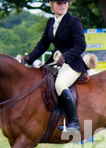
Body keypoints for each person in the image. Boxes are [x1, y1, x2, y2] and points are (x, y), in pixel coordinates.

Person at [23, 0, 86, 132]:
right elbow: (43, 44)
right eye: (59, 3)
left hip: (72, 63)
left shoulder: (74, 21)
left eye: (65, 3)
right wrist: (30, 57)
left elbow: (81, 45)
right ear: (52, 4)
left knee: (60, 85)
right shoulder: (50, 22)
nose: (62, 6)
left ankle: (74, 123)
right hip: (56, 62)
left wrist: (66, 56)